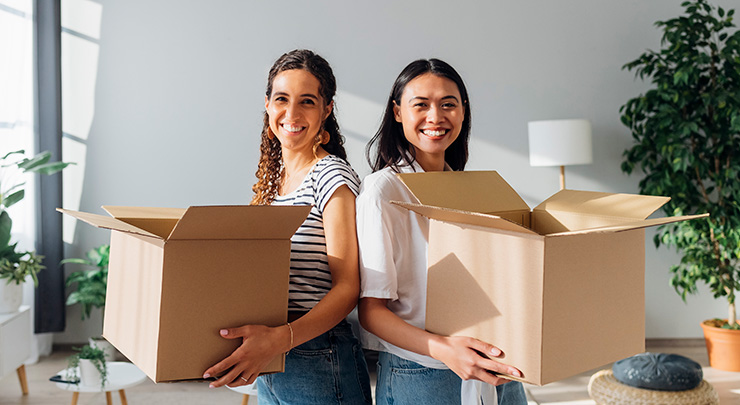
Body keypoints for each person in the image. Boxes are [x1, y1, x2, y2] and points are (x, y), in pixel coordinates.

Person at [204, 49, 372, 405]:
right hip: (273, 355)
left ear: (326, 110)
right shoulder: (275, 180)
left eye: (307, 101)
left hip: (317, 354)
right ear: (267, 104)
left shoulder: (332, 177)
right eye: (282, 99)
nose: (292, 114)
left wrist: (281, 339)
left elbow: (348, 288)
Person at [356, 59, 528, 405]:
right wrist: (447, 350)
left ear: (463, 112)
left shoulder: (472, 188)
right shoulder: (382, 190)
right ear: (398, 112)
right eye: (420, 104)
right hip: (423, 373)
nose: (435, 117)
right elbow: (372, 311)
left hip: (495, 365)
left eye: (448, 104)